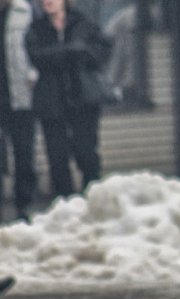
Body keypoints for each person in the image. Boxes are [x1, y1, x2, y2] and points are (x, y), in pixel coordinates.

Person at [25, 0, 111, 198]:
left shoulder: (83, 23)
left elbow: (100, 53)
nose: (47, 2)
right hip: (51, 101)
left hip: (83, 99)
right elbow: (37, 57)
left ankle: (92, 198)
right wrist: (72, 51)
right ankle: (65, 204)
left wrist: (71, 53)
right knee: (57, 158)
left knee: (87, 153)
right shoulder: (36, 29)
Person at [1, 0, 37, 222]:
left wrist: (34, 72)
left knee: (24, 152)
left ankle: (24, 204)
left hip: (19, 95)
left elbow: (37, 45)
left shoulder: (24, 12)